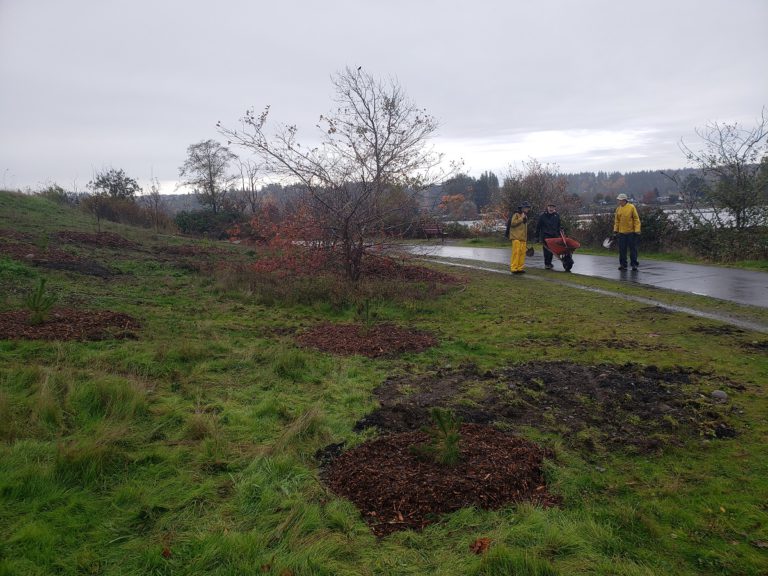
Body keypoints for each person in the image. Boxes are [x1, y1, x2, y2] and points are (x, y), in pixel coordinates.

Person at [613, 193, 641, 271]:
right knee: (622, 250)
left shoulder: (631, 207)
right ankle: (623, 265)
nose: (619, 201)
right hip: (621, 233)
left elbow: (636, 219)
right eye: (618, 200)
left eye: (620, 200)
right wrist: (615, 231)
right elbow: (617, 221)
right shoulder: (618, 209)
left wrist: (637, 230)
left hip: (631, 232)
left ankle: (634, 265)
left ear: (624, 200)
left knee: (633, 250)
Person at [505, 201, 531, 274]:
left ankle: (520, 268)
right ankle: (514, 268)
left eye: (528, 208)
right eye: (526, 207)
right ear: (522, 208)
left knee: (522, 254)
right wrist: (521, 218)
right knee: (516, 253)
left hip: (522, 238)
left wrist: (525, 238)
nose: (527, 209)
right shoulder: (516, 214)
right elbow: (512, 223)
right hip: (516, 237)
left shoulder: (525, 215)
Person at [535, 202, 562, 270]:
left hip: (554, 236)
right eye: (550, 207)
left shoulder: (557, 216)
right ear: (547, 208)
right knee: (547, 251)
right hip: (545, 236)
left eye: (552, 207)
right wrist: (537, 237)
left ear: (554, 208)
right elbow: (538, 227)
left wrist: (559, 234)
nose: (551, 208)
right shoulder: (542, 216)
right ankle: (547, 264)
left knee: (552, 251)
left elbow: (558, 226)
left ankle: (549, 263)